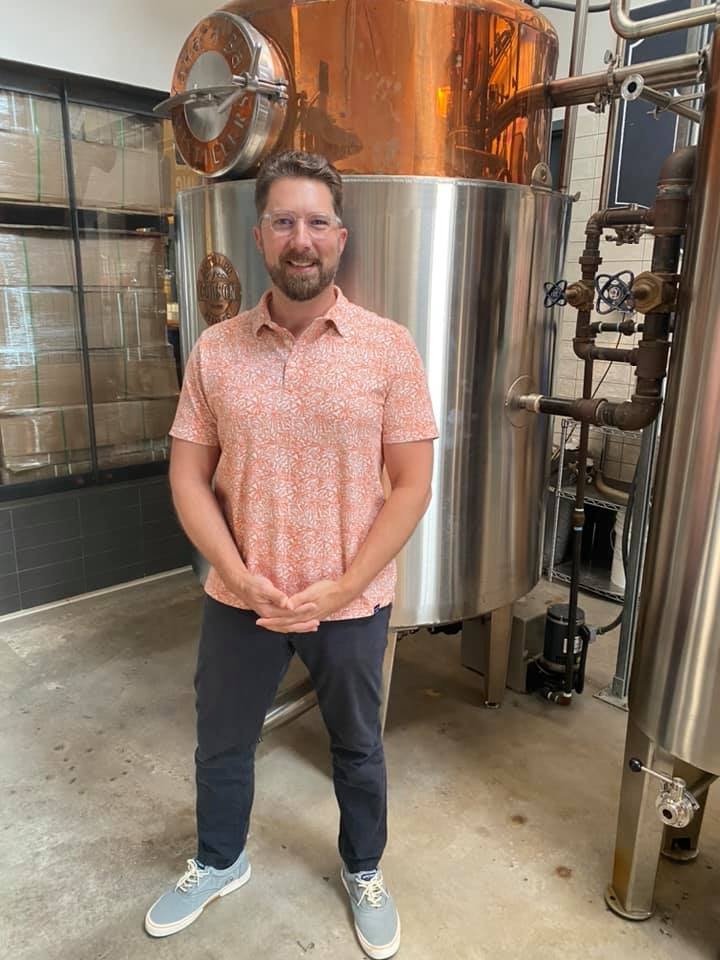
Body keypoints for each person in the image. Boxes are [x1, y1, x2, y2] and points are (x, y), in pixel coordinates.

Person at [145, 150, 438, 959]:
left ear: (340, 237)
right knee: (221, 741)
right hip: (241, 598)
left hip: (350, 601)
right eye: (283, 221)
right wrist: (235, 574)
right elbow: (187, 475)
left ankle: (364, 868)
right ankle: (219, 859)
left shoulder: (388, 348)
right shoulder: (215, 351)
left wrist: (345, 583)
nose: (300, 238)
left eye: (316, 222)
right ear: (260, 237)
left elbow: (412, 484)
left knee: (358, 746)